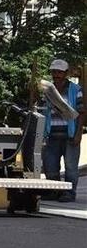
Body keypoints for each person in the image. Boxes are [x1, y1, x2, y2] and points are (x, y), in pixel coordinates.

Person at [42, 59, 84, 202]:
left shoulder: (75, 90)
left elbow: (82, 112)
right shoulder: (47, 89)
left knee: (71, 166)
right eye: (54, 72)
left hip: (70, 134)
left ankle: (69, 193)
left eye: (59, 72)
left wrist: (79, 133)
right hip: (51, 134)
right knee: (50, 164)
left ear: (66, 73)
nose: (56, 75)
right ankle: (54, 191)